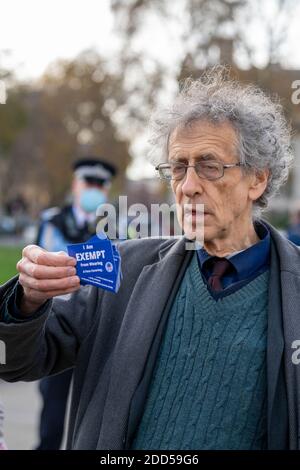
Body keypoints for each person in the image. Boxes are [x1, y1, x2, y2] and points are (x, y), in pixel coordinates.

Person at [0, 66, 300, 450]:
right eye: (178, 168)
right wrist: (27, 301)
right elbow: (17, 361)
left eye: (209, 166)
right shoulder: (123, 270)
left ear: (257, 179)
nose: (188, 187)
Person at [35, 157, 117, 450]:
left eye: (100, 184)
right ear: (75, 185)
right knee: (53, 411)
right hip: (57, 325)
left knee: (95, 412)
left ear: (107, 190)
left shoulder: (116, 227)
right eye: (88, 182)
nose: (94, 188)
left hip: (99, 329)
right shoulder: (51, 222)